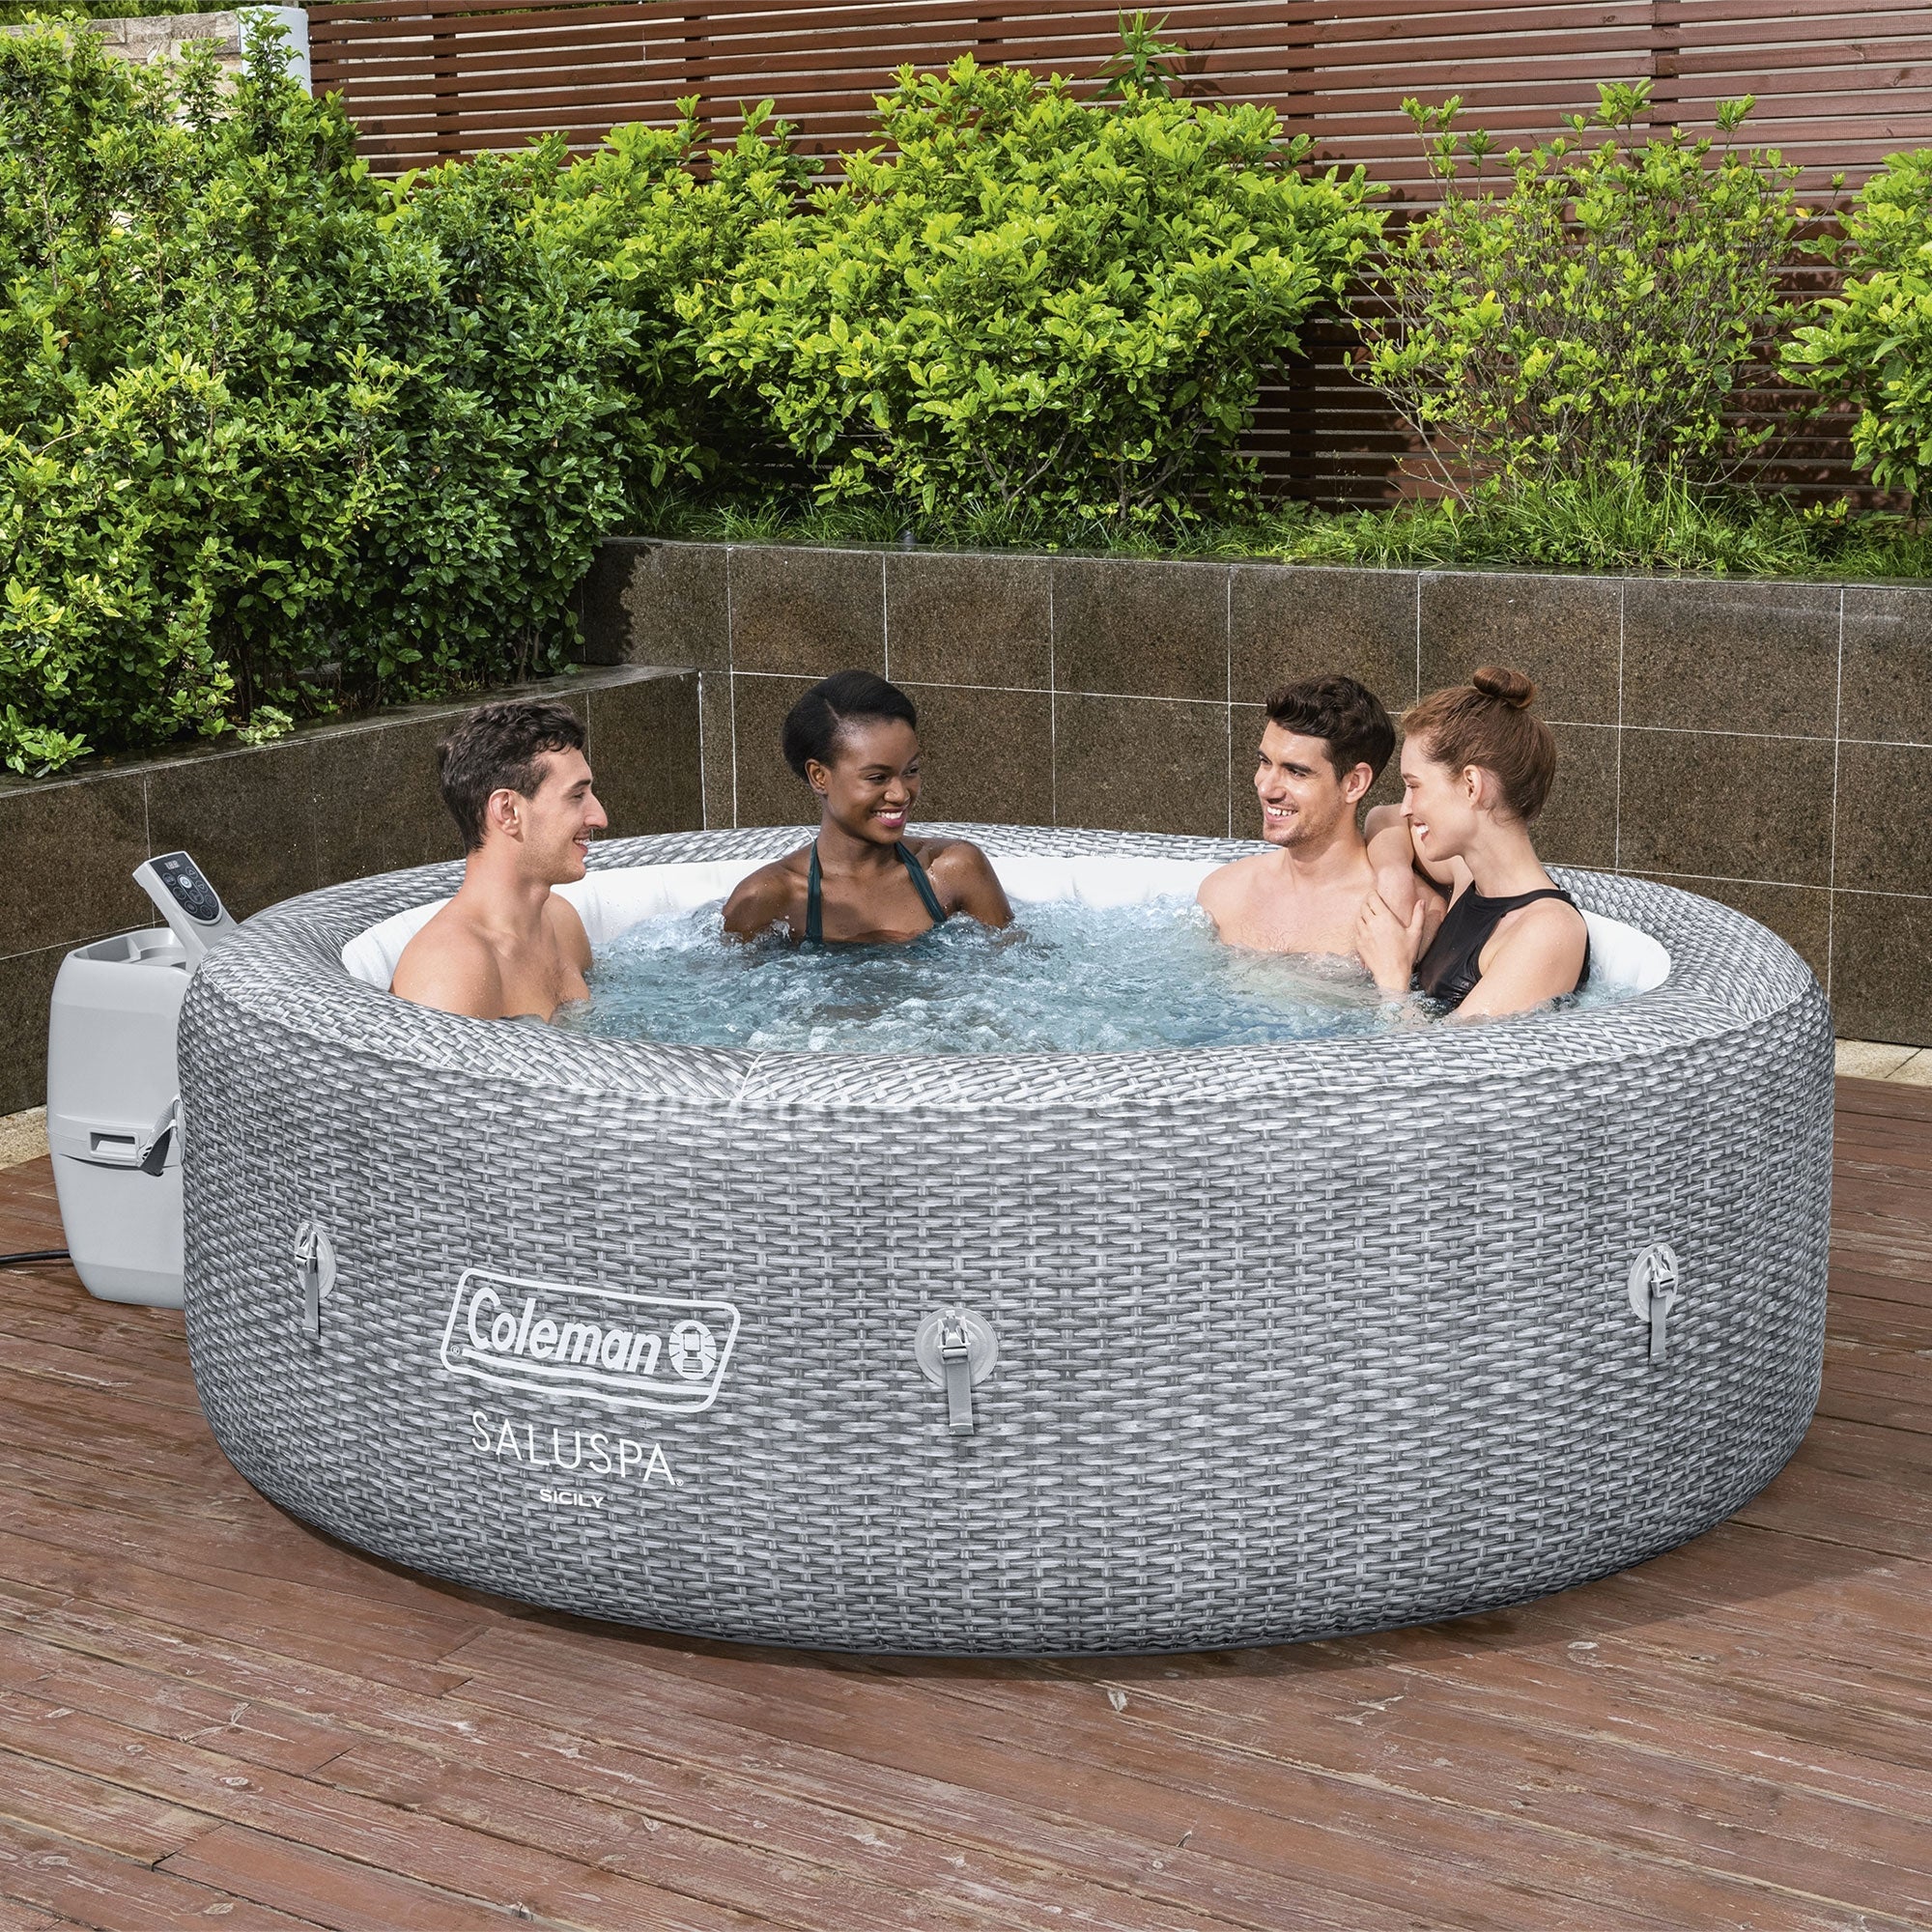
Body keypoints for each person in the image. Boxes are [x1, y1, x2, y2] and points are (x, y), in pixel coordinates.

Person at [1354, 666, 1589, 1018]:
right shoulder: (1470, 877)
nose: (1406, 807)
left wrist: (1392, 979)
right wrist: (1394, 875)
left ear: (1470, 786)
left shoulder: (1546, 931)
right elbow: (1384, 818)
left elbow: (1452, 1052)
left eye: (1414, 786)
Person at [723, 670, 1012, 944]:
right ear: (819, 776)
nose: (900, 794)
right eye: (877, 778)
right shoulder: (768, 899)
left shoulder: (953, 871)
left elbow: (1014, 967)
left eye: (911, 771)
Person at [389, 699, 607, 1020]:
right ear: (507, 811)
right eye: (577, 796)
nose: (600, 817)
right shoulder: (450, 972)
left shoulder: (562, 923)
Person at [1197, 674, 1396, 956]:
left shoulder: (1393, 918)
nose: (1265, 788)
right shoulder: (1221, 895)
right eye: (1265, 762)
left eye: (1295, 772)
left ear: (1354, 783)